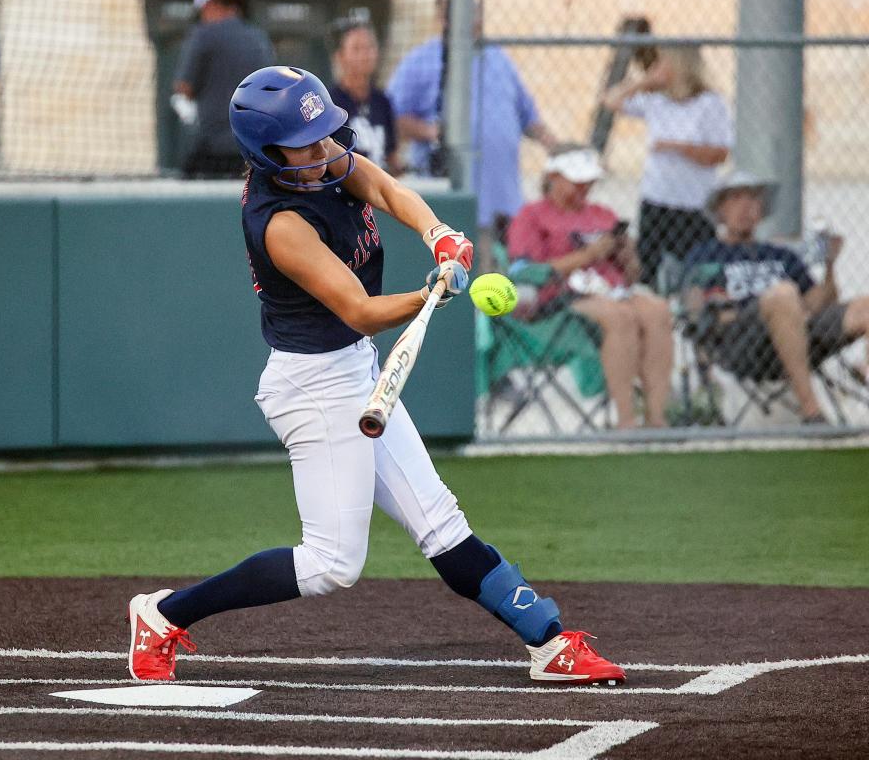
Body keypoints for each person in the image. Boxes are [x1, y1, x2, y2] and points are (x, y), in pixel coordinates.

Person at [126, 66, 624, 688]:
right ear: (266, 153)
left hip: (355, 368)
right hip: (312, 387)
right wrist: (431, 295)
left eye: (323, 135)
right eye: (303, 143)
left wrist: (439, 236)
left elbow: (388, 191)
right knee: (332, 563)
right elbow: (359, 310)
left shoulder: (324, 158)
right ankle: (163, 615)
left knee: (441, 523)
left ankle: (551, 642)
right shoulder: (280, 224)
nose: (323, 150)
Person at [681, 170, 869, 423]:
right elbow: (695, 311)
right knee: (783, 295)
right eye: (736, 199)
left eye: (752, 199)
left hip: (799, 331)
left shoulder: (781, 255)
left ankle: (864, 369)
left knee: (864, 306)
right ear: (720, 210)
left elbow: (818, 304)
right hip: (744, 341)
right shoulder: (706, 254)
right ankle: (811, 412)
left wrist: (830, 266)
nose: (746, 206)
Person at [507, 145, 673, 429]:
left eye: (589, 181)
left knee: (658, 311)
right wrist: (589, 255)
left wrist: (626, 255)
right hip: (561, 298)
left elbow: (632, 275)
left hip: (613, 291)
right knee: (620, 317)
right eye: (576, 181)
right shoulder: (531, 216)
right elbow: (526, 271)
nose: (584, 187)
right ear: (554, 176)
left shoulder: (602, 213)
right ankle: (626, 422)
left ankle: (657, 420)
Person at [386, 0, 556, 270]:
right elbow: (394, 115)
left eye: (474, 11)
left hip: (503, 200)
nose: (472, 18)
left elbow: (528, 117)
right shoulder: (423, 60)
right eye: (462, 12)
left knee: (501, 281)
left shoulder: (498, 57)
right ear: (442, 17)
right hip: (455, 201)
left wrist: (556, 147)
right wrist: (430, 132)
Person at [603, 47, 733, 289]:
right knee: (649, 270)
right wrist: (643, 82)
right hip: (657, 199)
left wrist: (677, 147)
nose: (658, 68)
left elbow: (719, 153)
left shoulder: (709, 103)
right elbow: (611, 100)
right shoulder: (657, 101)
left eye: (664, 63)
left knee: (699, 273)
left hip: (694, 204)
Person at [172, 0, 274, 179]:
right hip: (253, 150)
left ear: (210, 4)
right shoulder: (259, 38)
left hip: (212, 151)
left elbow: (184, 87)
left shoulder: (203, 35)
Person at [327, 18, 400, 174]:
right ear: (340, 56)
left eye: (370, 47)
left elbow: (392, 156)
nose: (365, 55)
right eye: (356, 49)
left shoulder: (382, 101)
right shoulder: (330, 103)